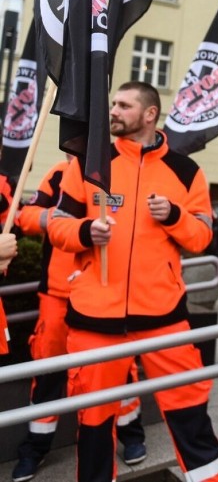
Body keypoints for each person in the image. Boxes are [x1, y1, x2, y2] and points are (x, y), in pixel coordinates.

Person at [48, 81, 218, 482]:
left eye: (124, 105)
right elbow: (57, 225)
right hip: (94, 318)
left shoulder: (186, 171)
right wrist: (84, 233)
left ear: (149, 114)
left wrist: (174, 217)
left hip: (164, 317)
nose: (113, 110)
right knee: (94, 427)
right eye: (113, 103)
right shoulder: (90, 162)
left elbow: (201, 239)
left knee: (190, 413)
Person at [11, 158, 148, 482]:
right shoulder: (58, 172)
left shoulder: (121, 171)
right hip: (58, 293)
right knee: (47, 369)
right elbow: (25, 216)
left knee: (119, 367)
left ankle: (132, 435)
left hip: (105, 292)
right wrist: (66, 222)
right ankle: (35, 447)